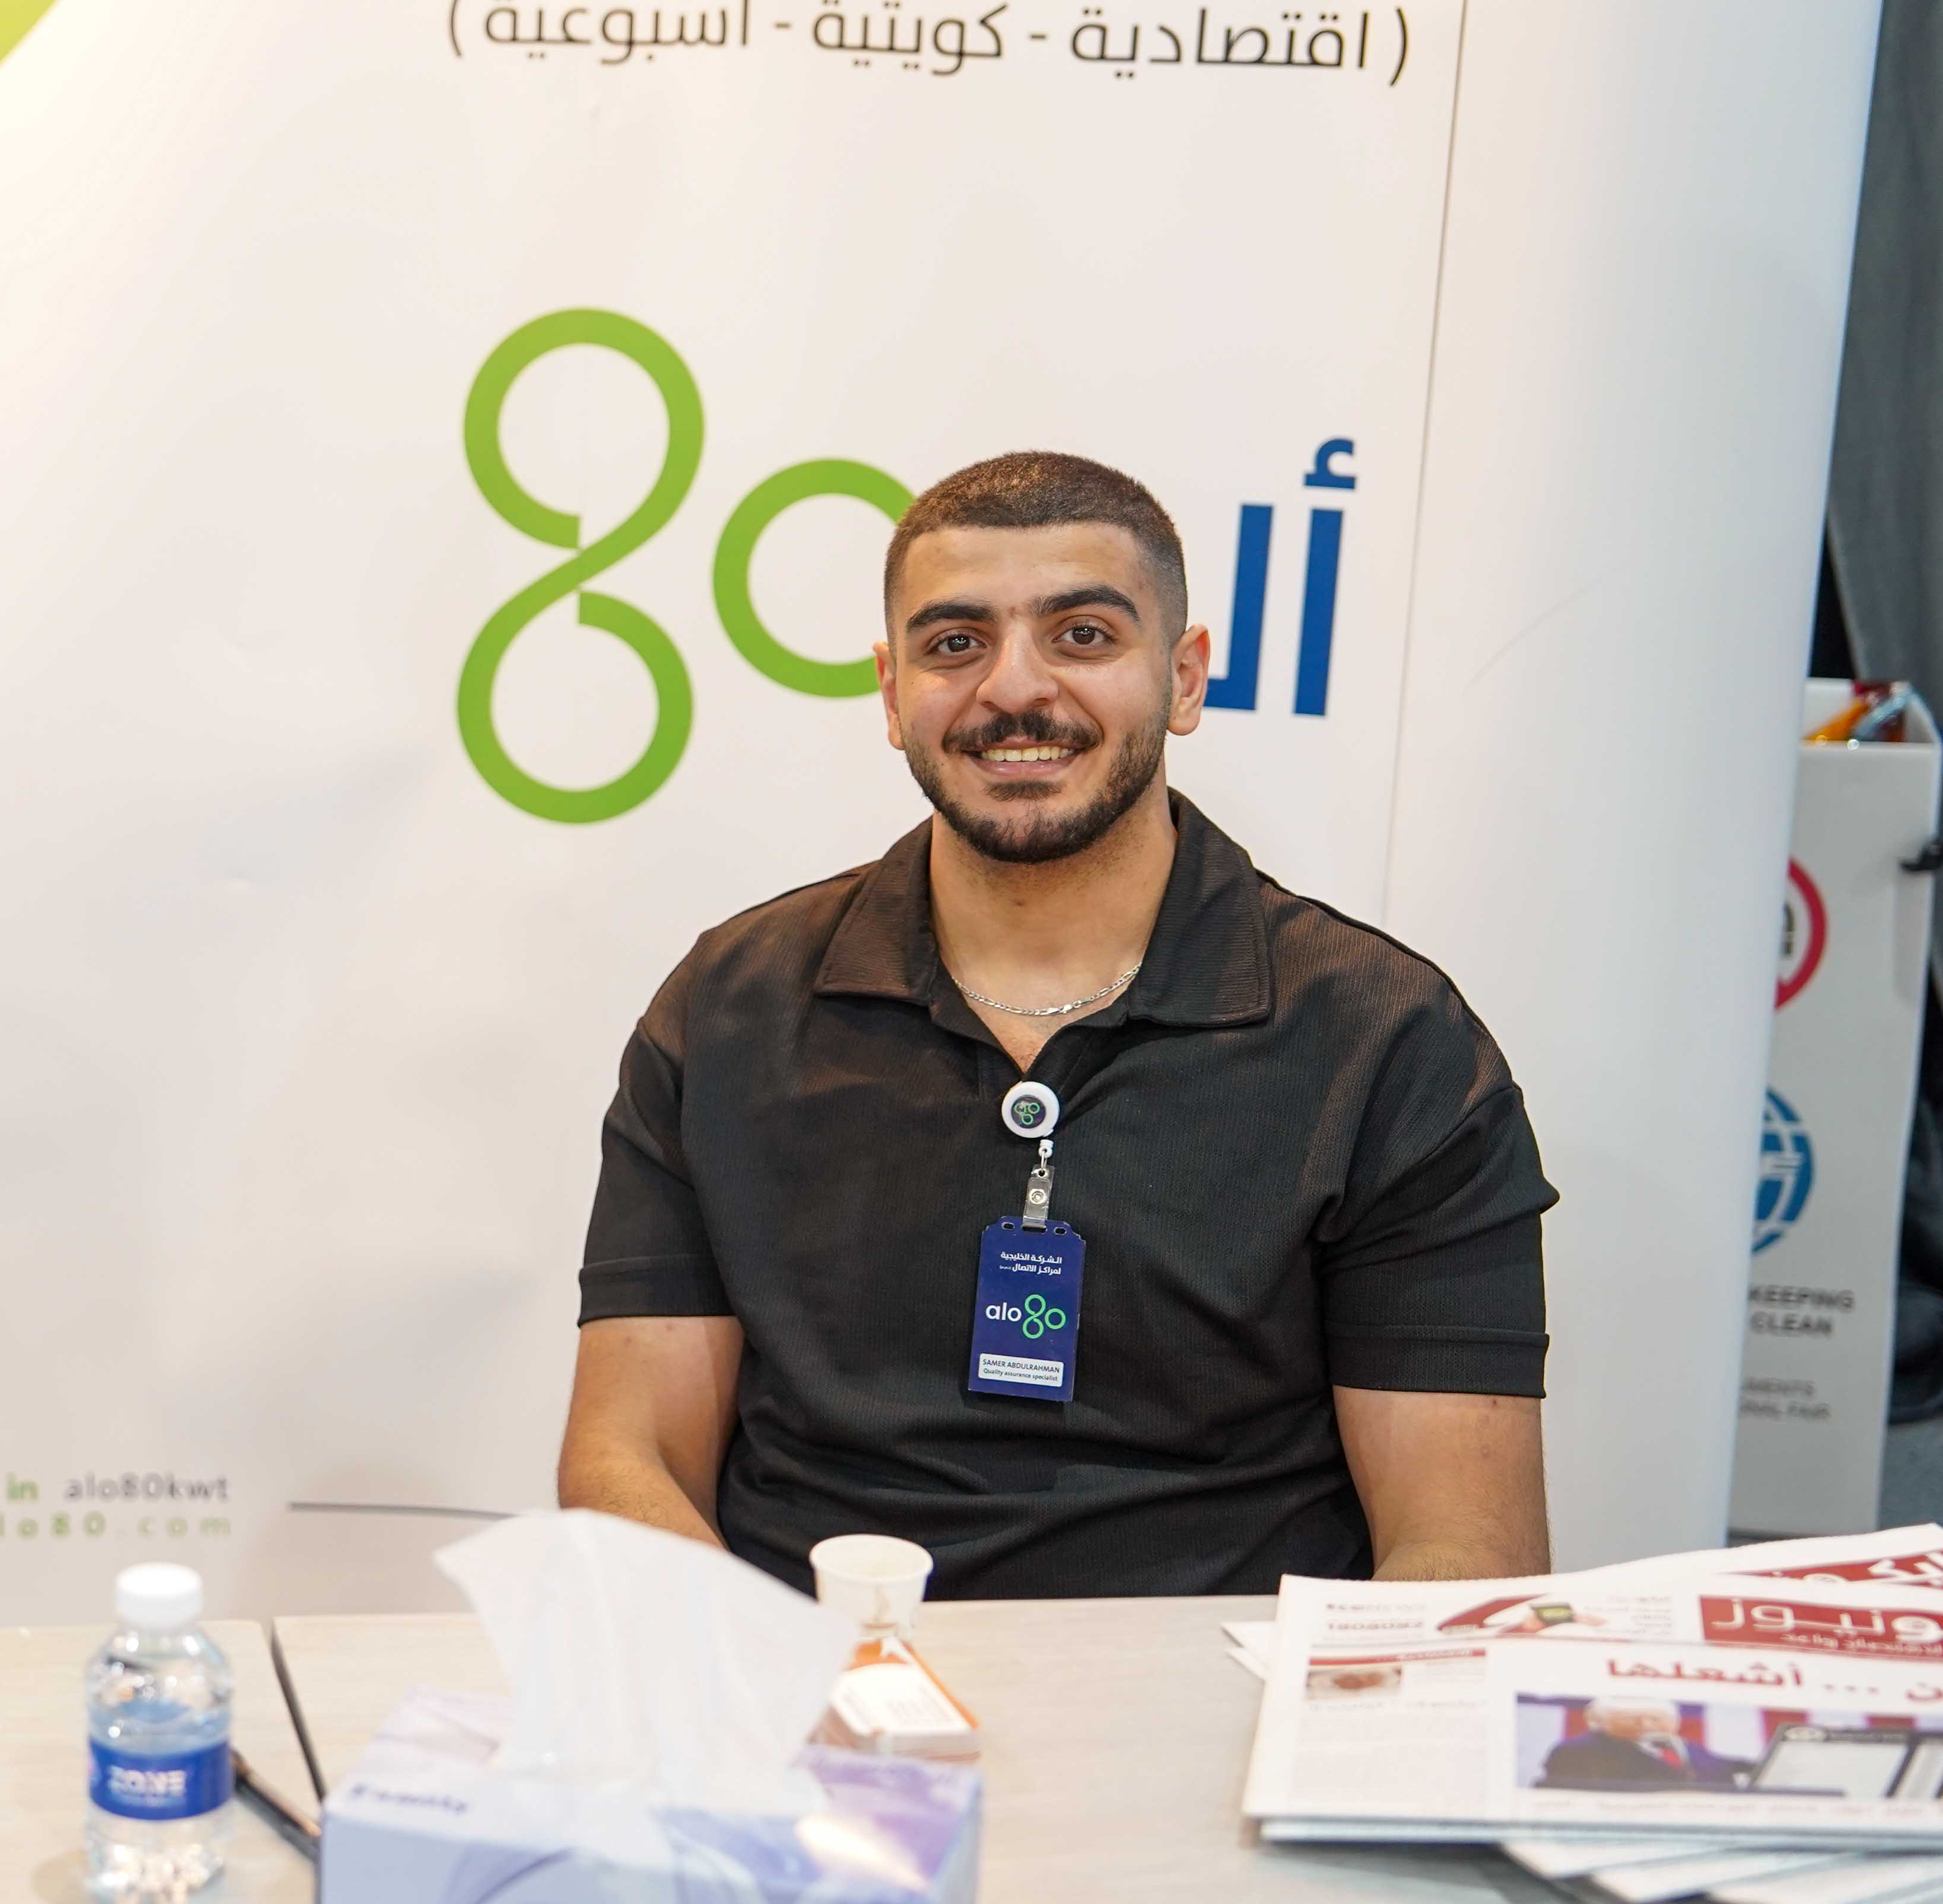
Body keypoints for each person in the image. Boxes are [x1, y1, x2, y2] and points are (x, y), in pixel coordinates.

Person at [554, 452, 1552, 1597]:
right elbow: (627, 1459)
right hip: (811, 1680)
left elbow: (1465, 1557)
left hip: (1214, 1696)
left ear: (1184, 678)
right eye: (955, 643)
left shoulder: (1387, 1043)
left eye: (1082, 635)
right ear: (893, 695)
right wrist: (780, 1680)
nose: (1014, 689)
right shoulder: (731, 1008)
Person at [1536, 1700, 1746, 1790]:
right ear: (1603, 1721)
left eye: (1656, 1718)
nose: (1646, 1724)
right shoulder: (1576, 1752)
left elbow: (1724, 1767)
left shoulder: (1688, 1748)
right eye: (1631, 1718)